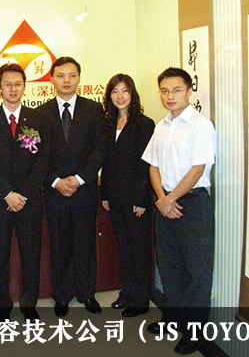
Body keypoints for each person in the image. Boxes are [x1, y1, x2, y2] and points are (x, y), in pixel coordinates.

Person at [142, 67, 216, 355]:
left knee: (197, 271)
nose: (170, 96)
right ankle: (174, 320)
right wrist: (162, 199)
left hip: (193, 205)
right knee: (169, 266)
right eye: (164, 91)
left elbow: (198, 169)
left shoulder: (200, 125)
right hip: (165, 203)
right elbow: (153, 166)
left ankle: (194, 332)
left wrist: (169, 199)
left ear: (189, 91)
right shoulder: (162, 127)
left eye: (176, 90)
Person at [0, 63, 50, 324]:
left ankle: (29, 304)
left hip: (29, 201)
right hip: (0, 202)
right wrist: (7, 193)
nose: (13, 89)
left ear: (24, 87)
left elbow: (44, 160)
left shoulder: (38, 119)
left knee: (31, 255)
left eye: (18, 84)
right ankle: (3, 307)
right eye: (7, 84)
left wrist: (24, 194)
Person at [37, 56, 107, 317]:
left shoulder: (93, 109)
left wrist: (80, 179)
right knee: (59, 245)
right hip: (54, 192)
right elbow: (38, 154)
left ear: (79, 78)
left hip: (84, 190)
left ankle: (87, 293)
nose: (66, 80)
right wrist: (56, 181)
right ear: (51, 79)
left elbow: (100, 149)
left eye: (72, 75)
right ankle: (62, 295)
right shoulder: (40, 112)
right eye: (60, 75)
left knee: (86, 243)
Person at [100, 73, 155, 318]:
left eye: (124, 90)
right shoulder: (108, 123)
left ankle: (141, 299)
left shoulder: (145, 124)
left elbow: (146, 164)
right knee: (124, 247)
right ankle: (127, 292)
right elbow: (107, 162)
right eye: (115, 91)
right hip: (115, 196)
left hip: (136, 199)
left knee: (139, 249)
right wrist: (105, 193)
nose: (120, 96)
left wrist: (142, 199)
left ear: (132, 94)